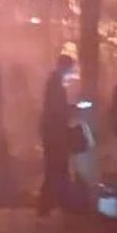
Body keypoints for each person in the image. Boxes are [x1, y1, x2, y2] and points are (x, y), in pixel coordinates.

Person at [38, 54, 78, 215]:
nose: (70, 71)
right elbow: (56, 110)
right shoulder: (55, 84)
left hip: (53, 132)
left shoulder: (54, 82)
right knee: (56, 167)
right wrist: (72, 109)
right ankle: (47, 205)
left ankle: (58, 203)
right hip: (54, 133)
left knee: (57, 168)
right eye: (69, 68)